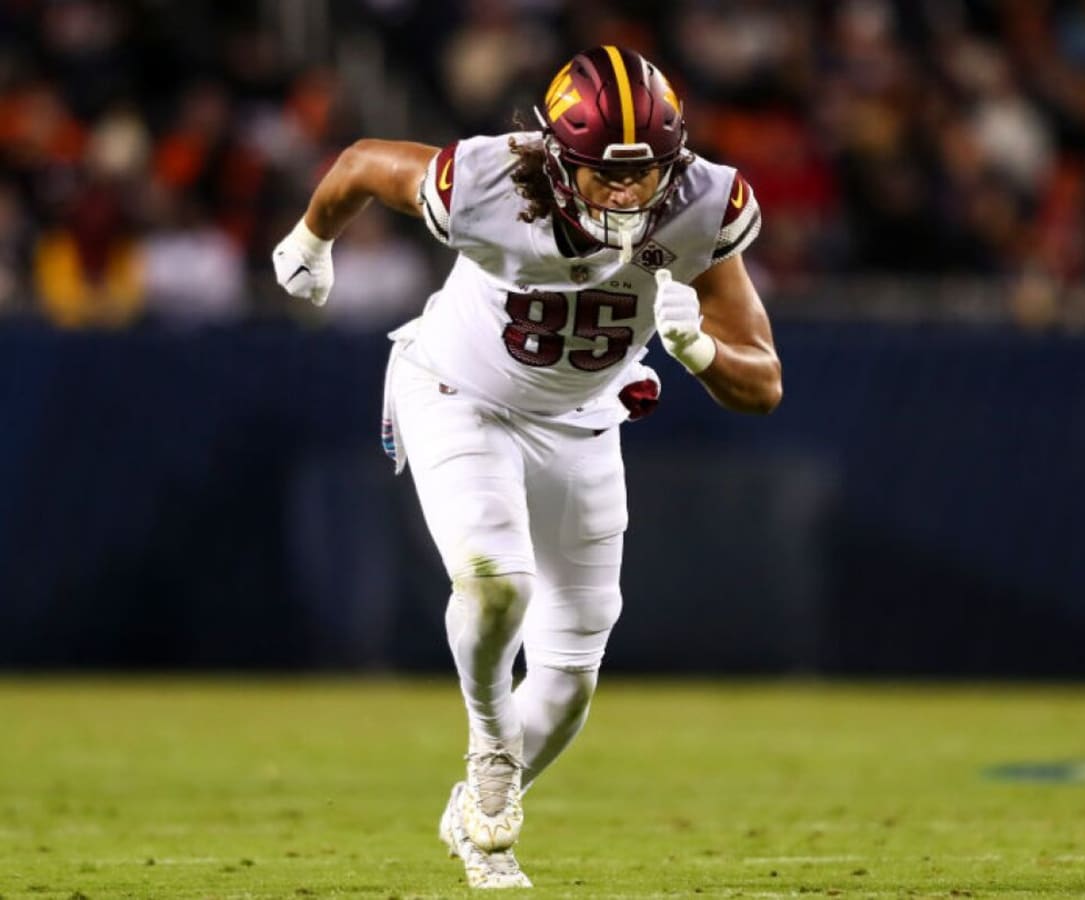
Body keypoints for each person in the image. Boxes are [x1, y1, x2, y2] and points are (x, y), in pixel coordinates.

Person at [273, 45, 782, 889]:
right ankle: (488, 746)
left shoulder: (701, 205)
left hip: (582, 423)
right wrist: (308, 239)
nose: (625, 194)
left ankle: (476, 808)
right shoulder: (488, 181)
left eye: (643, 174)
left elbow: (762, 385)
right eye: (603, 175)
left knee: (572, 677)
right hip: (457, 390)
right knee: (493, 580)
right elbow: (361, 162)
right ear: (554, 156)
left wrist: (696, 350)